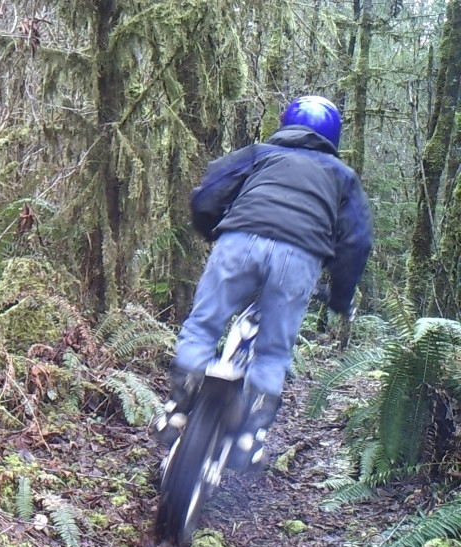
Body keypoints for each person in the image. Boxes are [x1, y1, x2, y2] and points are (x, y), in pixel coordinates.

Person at [151, 95, 373, 469]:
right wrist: (339, 297)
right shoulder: (342, 176)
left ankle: (178, 405)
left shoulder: (260, 153)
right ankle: (250, 434)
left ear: (286, 123)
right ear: (332, 137)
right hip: (299, 258)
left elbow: (208, 194)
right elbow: (355, 242)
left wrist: (213, 234)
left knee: (204, 327)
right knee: (273, 351)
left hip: (240, 242)